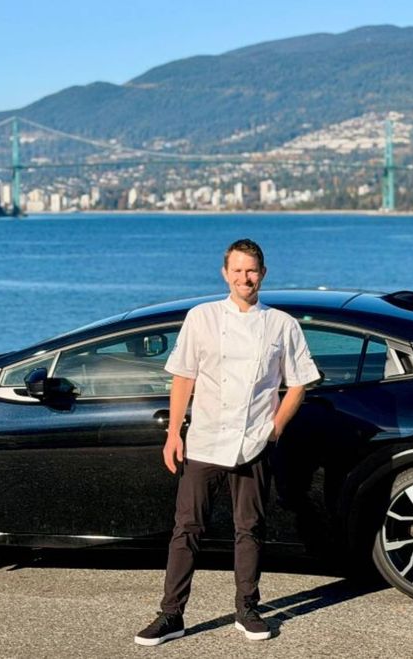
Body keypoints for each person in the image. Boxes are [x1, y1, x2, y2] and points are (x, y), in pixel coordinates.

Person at [134, 239, 320, 646]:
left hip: (253, 441)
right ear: (225, 274)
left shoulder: (281, 325)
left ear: (263, 274)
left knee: (250, 528)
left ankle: (247, 609)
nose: (244, 278)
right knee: (187, 528)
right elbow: (184, 376)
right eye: (237, 271)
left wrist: (275, 428)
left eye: (251, 271)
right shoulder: (200, 317)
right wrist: (172, 434)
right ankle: (171, 615)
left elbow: (300, 383)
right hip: (204, 439)